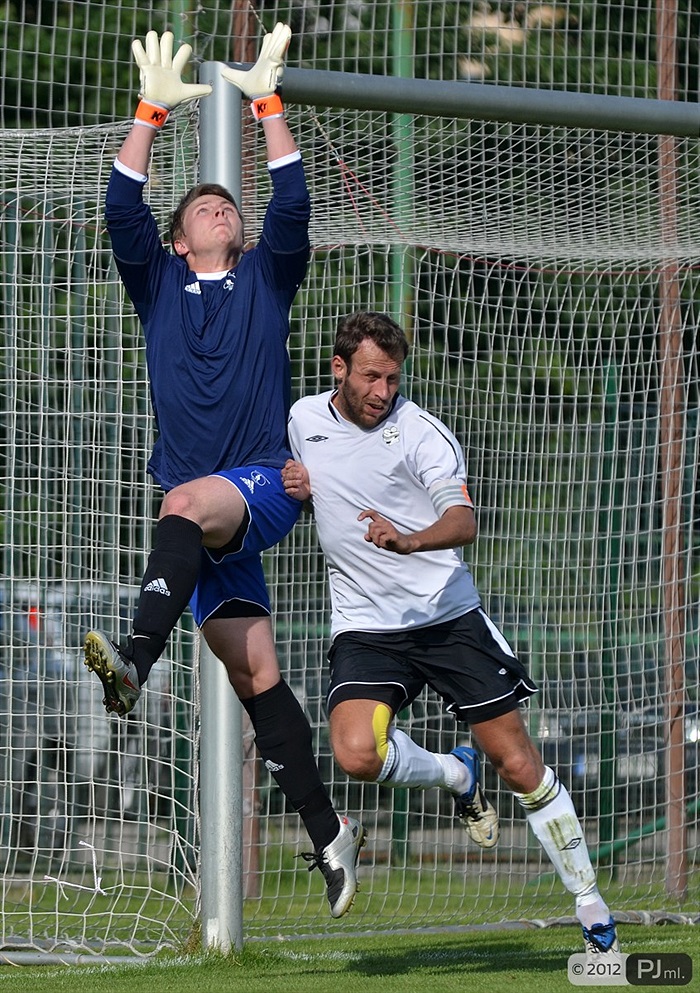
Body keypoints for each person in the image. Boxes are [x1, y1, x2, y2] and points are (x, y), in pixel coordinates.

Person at [83, 25, 364, 919]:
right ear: (176, 241)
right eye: (203, 207)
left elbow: (293, 202)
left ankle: (134, 662)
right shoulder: (158, 284)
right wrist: (149, 113)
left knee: (182, 498)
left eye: (226, 206)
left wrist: (269, 105)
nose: (219, 209)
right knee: (256, 675)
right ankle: (330, 832)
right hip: (202, 531)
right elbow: (121, 206)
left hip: (256, 488)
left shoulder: (267, 278)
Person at [282, 311, 620, 957]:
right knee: (356, 754)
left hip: (446, 618)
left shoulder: (421, 433)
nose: (382, 391)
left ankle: (590, 904)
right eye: (370, 376)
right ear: (339, 369)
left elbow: (463, 520)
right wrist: (292, 487)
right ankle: (453, 774)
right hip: (367, 627)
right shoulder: (303, 419)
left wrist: (409, 540)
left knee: (518, 764)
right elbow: (310, 490)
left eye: (392, 378)